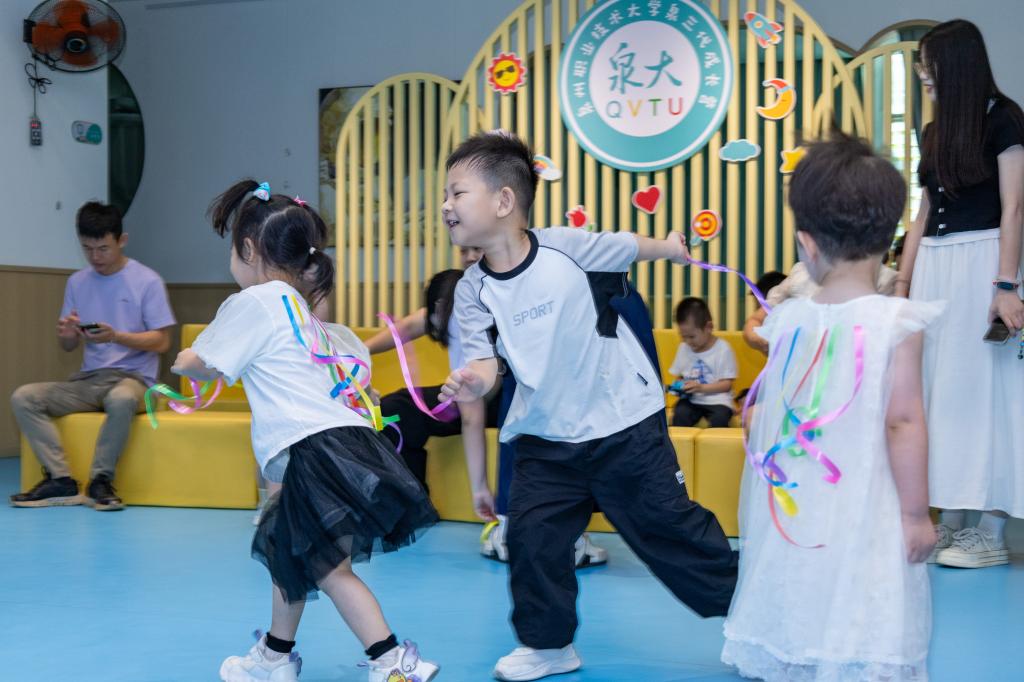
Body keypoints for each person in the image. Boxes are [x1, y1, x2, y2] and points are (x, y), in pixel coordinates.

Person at [437, 131, 737, 681]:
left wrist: (671, 248)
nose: (445, 205)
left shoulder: (565, 248)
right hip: (545, 436)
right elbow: (485, 361)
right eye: (446, 195)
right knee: (532, 539)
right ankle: (549, 645)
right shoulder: (471, 290)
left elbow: (627, 246)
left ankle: (754, 612)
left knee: (669, 530)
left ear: (504, 201)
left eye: (457, 193)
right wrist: (471, 382)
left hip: (623, 422)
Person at [173, 180, 439, 682]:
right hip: (338, 445)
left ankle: (391, 661)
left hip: (310, 451)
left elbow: (203, 362)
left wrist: (184, 358)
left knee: (328, 569)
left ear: (248, 249)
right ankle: (276, 655)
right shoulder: (302, 311)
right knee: (291, 551)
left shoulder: (257, 301)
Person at [722, 133, 942, 681]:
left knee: (803, 584)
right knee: (863, 591)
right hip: (869, 499)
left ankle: (796, 657)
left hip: (800, 501)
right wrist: (916, 515)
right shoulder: (897, 323)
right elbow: (903, 421)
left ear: (807, 244)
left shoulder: (787, 321)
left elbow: (773, 410)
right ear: (889, 237)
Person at [368, 252, 608, 568]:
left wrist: (480, 487)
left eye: (476, 250)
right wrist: (354, 350)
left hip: (520, 395)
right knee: (396, 409)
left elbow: (472, 416)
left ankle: (546, 532)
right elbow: (410, 326)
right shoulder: (463, 299)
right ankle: (416, 503)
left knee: (526, 432)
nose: (470, 257)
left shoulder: (468, 315)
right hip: (511, 390)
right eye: (465, 251)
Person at [897, 19, 1024, 568]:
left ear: (957, 64)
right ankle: (951, 519)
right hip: (935, 266)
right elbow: (923, 213)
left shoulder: (1005, 118)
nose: (923, 74)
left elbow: (1014, 207)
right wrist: (902, 284)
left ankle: (991, 530)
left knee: (988, 395)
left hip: (984, 260)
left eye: (929, 65)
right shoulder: (934, 131)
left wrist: (1006, 284)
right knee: (941, 393)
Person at [10, 202, 175, 511]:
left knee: (121, 398)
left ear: (122, 240)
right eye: (87, 249)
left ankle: (101, 480)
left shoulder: (147, 280)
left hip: (135, 380)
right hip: (89, 380)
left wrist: (116, 336)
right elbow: (68, 347)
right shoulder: (77, 281)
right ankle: (61, 479)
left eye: (103, 248)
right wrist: (68, 335)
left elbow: (162, 341)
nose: (95, 257)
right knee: (24, 397)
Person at [668, 297, 738, 428]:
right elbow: (680, 376)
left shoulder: (723, 349)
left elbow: (726, 385)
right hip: (692, 400)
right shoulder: (683, 348)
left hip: (718, 400)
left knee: (720, 417)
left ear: (708, 327)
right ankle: (679, 442)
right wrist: (679, 386)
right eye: (683, 336)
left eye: (692, 336)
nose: (687, 341)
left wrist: (701, 388)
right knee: (680, 414)